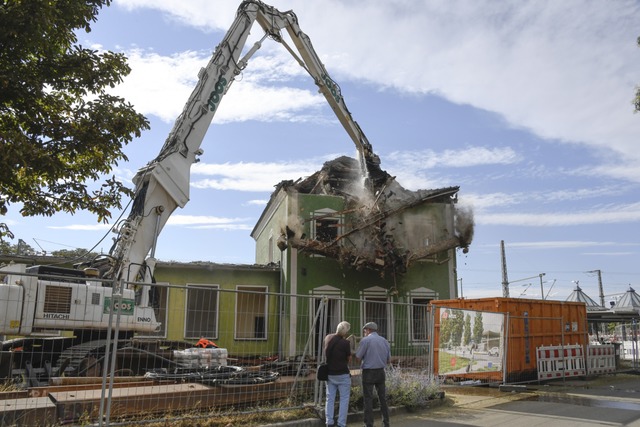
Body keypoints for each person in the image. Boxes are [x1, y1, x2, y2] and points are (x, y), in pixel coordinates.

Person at [356, 322, 391, 427]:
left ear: (368, 330)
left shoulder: (365, 341)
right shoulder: (384, 341)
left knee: (368, 398)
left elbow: (358, 358)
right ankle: (386, 423)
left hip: (368, 372)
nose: (364, 332)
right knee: (382, 398)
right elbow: (389, 360)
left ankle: (369, 424)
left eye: (365, 330)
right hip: (381, 371)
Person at [324, 321, 352, 427]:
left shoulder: (328, 338)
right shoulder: (345, 343)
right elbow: (349, 359)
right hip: (342, 375)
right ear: (345, 332)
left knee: (329, 398)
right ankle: (341, 424)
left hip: (330, 374)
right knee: (344, 399)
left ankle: (329, 422)